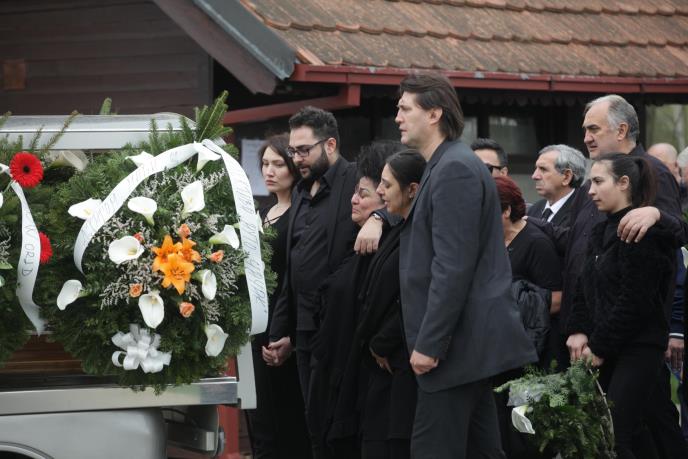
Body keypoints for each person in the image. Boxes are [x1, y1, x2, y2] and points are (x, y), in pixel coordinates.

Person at [530, 94, 688, 458]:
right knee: (624, 429)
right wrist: (579, 327)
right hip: (597, 334)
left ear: (621, 130)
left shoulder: (651, 171)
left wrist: (657, 216)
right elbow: (579, 252)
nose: (585, 137)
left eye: (593, 128)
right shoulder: (596, 188)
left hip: (633, 337)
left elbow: (673, 236)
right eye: (584, 129)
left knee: (636, 428)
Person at [395, 72, 537, 459]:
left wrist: (429, 343)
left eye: (405, 108)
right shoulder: (446, 164)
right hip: (464, 347)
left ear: (434, 113)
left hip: (453, 348)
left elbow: (453, 265)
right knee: (481, 449)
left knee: (434, 449)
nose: (397, 117)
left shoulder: (454, 168)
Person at [266, 106, 387, 458]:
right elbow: (294, 267)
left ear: (330, 145)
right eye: (293, 150)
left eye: (304, 150)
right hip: (304, 329)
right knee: (313, 423)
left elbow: (394, 202)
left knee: (341, 426)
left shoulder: (356, 180)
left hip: (342, 327)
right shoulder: (301, 191)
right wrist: (282, 330)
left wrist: (378, 218)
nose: (296, 159)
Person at [566, 153, 675, 459]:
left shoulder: (642, 231)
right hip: (608, 347)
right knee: (630, 433)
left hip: (637, 347)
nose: (590, 191)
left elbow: (635, 301)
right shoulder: (600, 230)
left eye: (598, 182)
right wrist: (578, 329)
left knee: (614, 435)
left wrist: (599, 346)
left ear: (624, 183)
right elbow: (585, 286)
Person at [306, 140, 404, 459]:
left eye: (364, 194)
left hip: (364, 380)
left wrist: (380, 219)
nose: (353, 199)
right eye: (355, 191)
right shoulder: (355, 237)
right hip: (332, 370)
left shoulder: (391, 245)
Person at [246, 134, 312, 459]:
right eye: (264, 164)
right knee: (259, 417)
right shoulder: (262, 211)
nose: (269, 171)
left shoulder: (303, 213)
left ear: (294, 168)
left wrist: (289, 332)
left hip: (285, 324)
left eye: (278, 164)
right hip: (256, 324)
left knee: (287, 417)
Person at [527, 144, 587, 228]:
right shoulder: (534, 210)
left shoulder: (583, 213)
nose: (534, 176)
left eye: (543, 169)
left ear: (566, 177)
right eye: (536, 169)